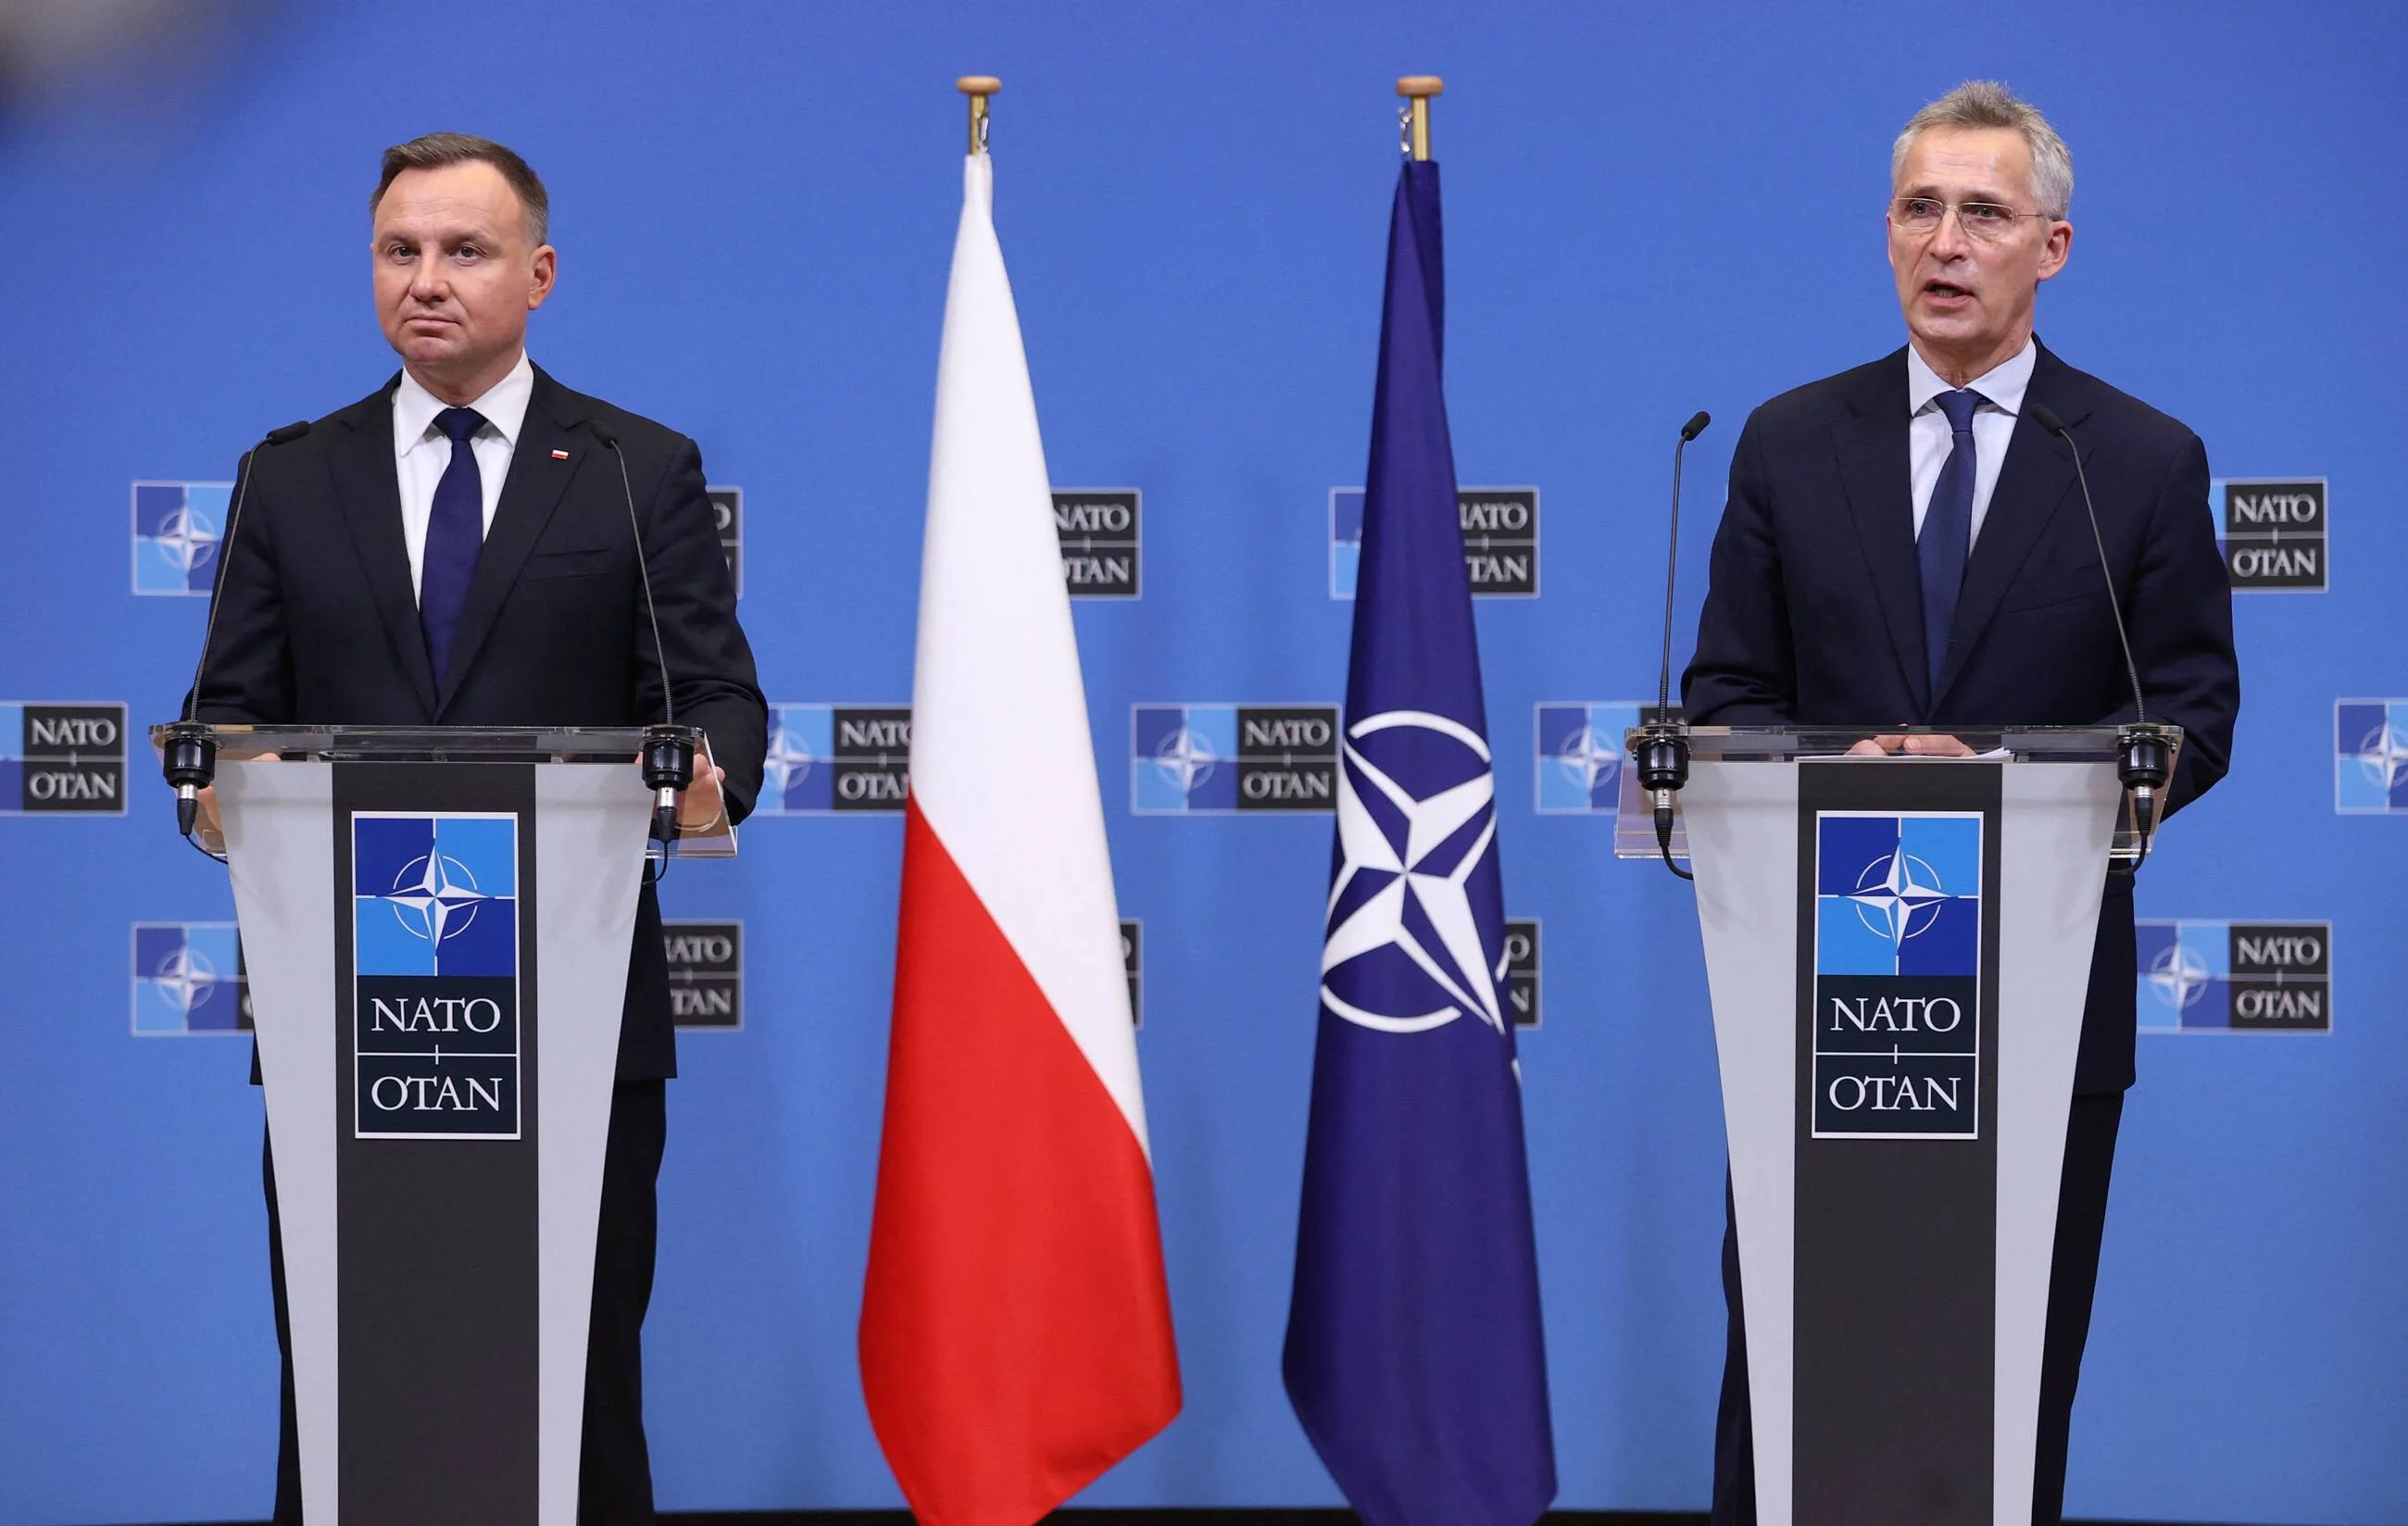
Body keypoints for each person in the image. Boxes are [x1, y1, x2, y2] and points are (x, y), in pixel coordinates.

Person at [1682, 81, 2240, 1523]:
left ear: (2051, 246)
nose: (1947, 240)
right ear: (1886, 235)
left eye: (1984, 212)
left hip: (2038, 1003)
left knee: (2007, 1381)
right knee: (1799, 1375)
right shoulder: (1788, 444)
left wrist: (2000, 786)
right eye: (1919, 209)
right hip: (1826, 1004)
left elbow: (2190, 714)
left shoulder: (2137, 459)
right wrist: (1834, 776)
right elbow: (1728, 700)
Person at [189, 132, 768, 1524]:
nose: (427, 281)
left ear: (540, 272)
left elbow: (718, 702)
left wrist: (707, 779)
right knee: (347, 1376)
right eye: (401, 252)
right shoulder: (291, 476)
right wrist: (217, 784)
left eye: (465, 251)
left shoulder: (635, 468)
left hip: (572, 1014)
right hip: (357, 1021)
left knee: (577, 1380)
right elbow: (224, 715)